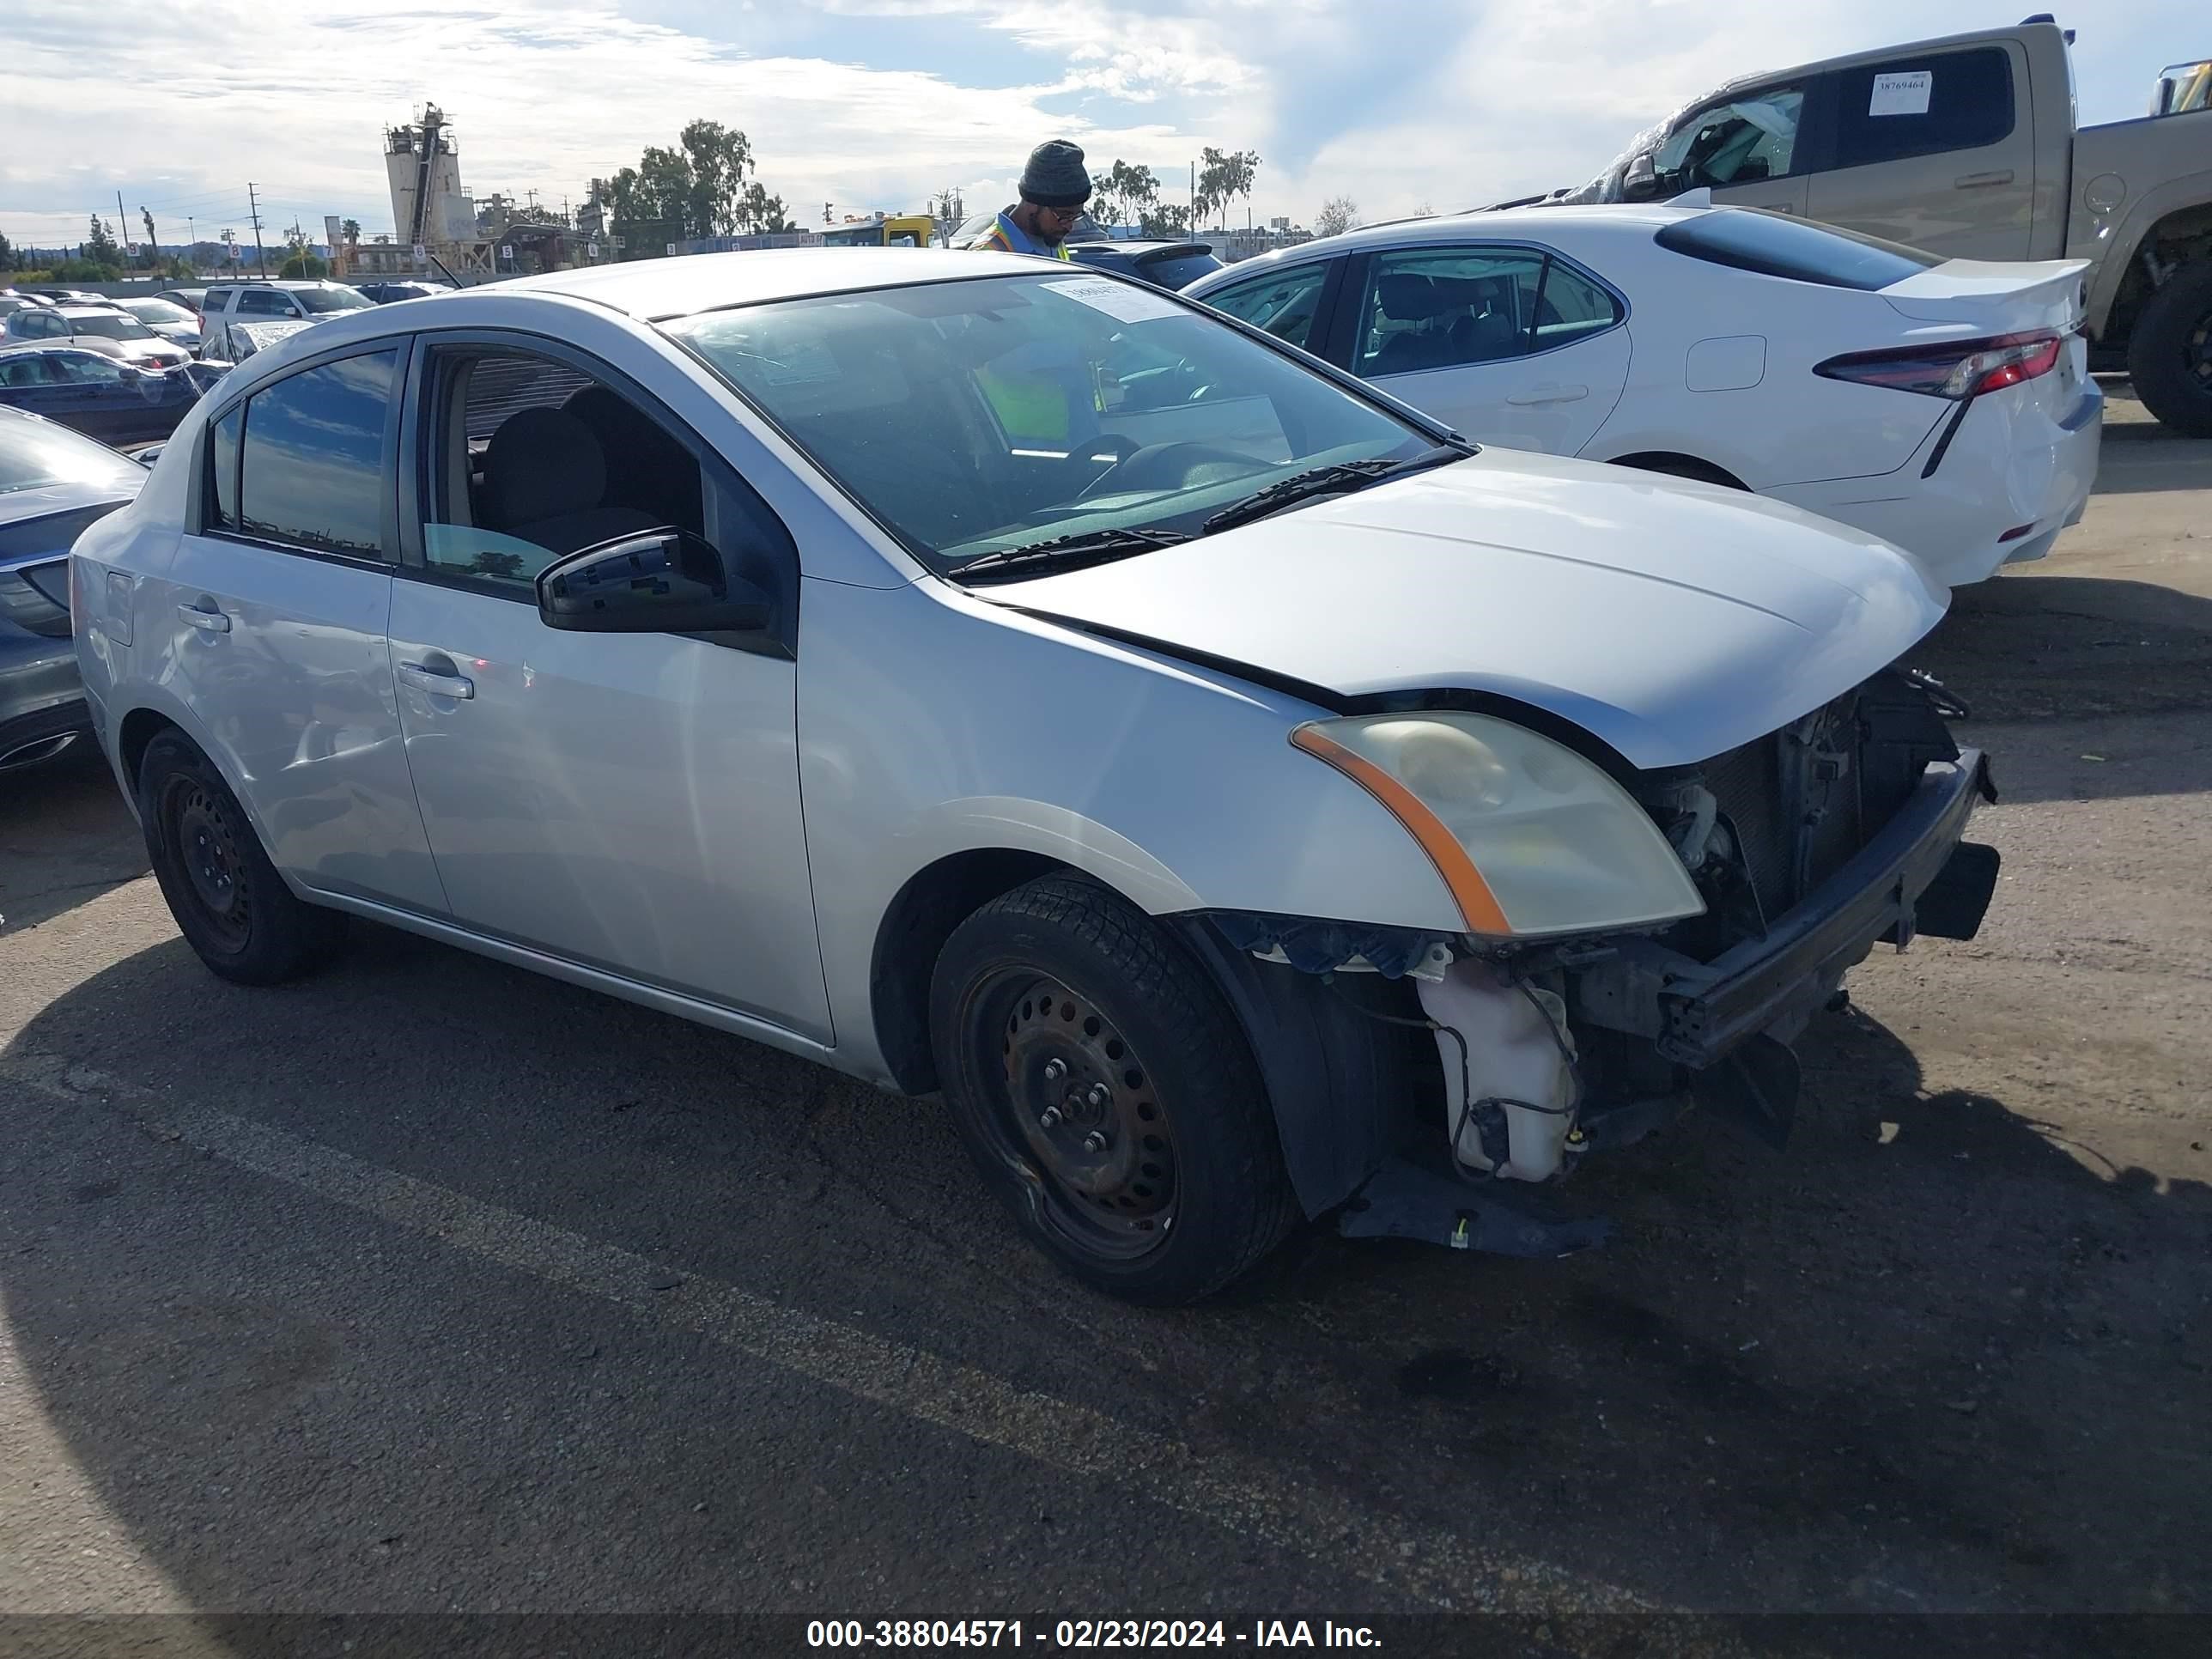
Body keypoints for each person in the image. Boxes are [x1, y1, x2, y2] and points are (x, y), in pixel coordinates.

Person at [958, 141, 1091, 258]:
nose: (1069, 226)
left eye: (1075, 216)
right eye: (1064, 215)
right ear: (1033, 203)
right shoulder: (989, 254)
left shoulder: (1051, 241)